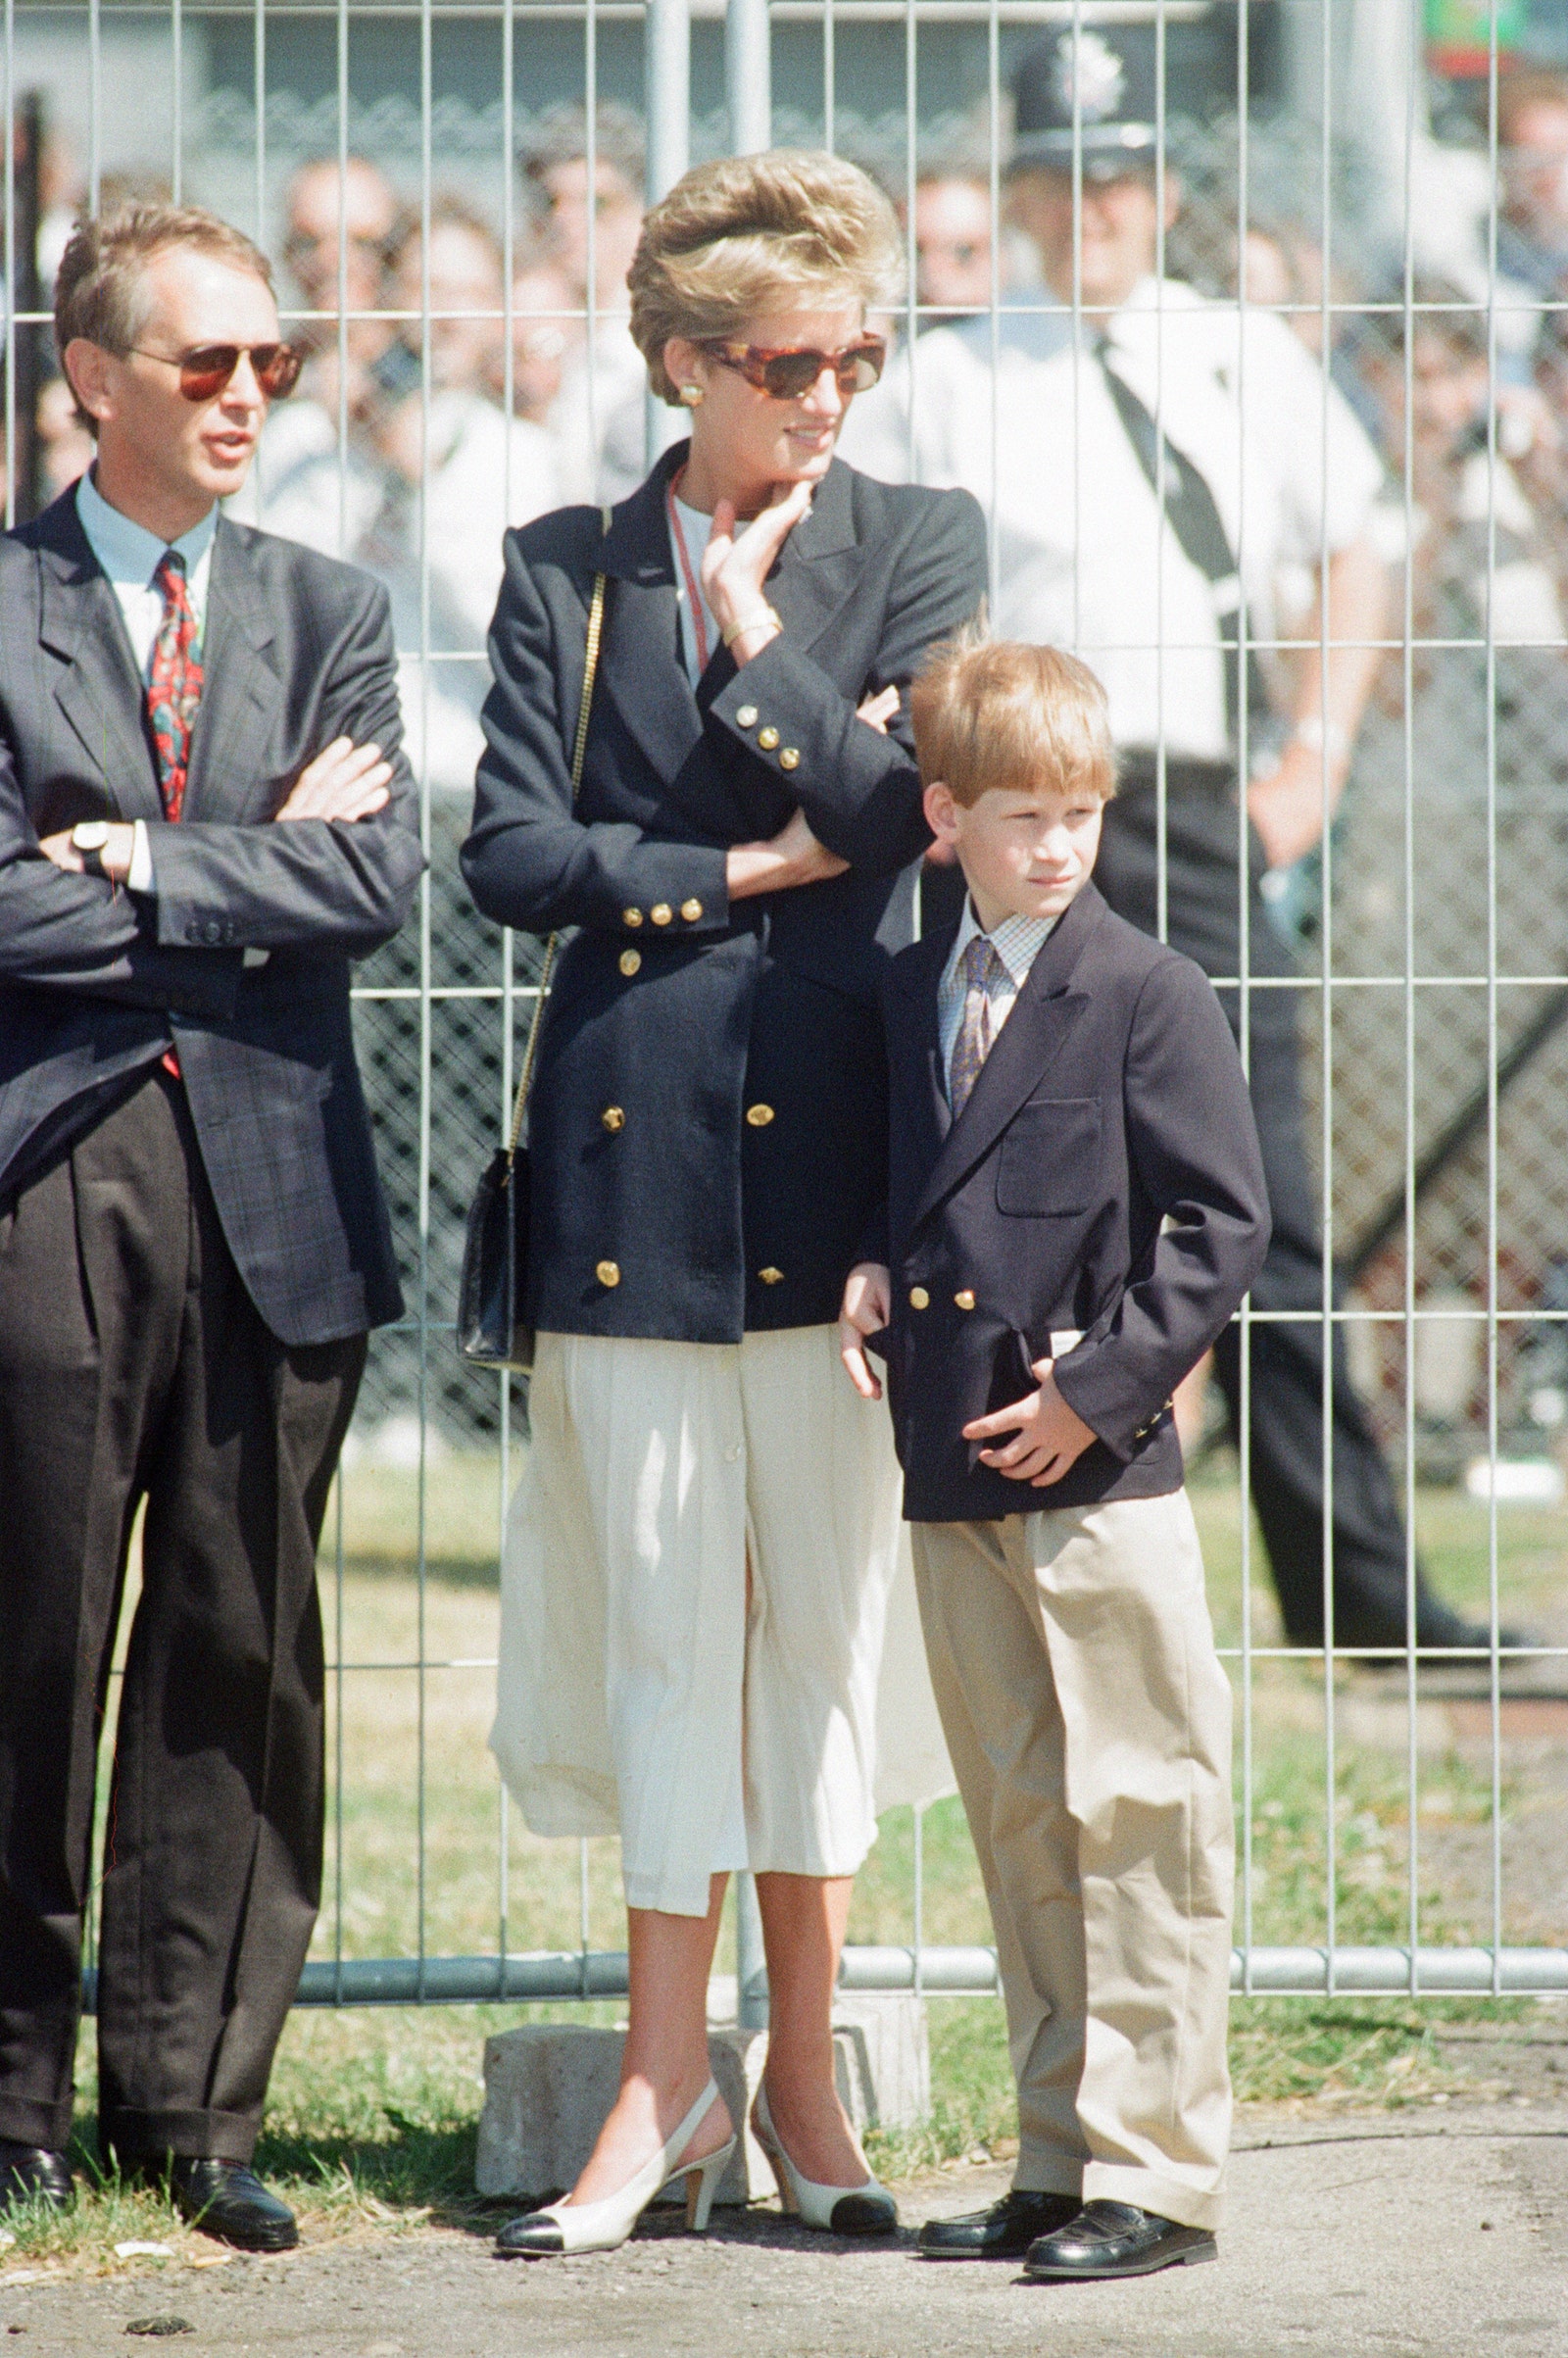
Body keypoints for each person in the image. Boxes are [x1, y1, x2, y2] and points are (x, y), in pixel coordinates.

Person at [463, 149, 986, 2258]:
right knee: (669, 1632)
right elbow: (507, 857)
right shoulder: (563, 561)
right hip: (625, 1165)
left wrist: (768, 653)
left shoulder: (910, 544)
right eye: (788, 364)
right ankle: (652, 2092)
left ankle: (800, 2082)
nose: (832, 396)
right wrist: (756, 863)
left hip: (846, 1162)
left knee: (821, 1638)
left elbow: (914, 817)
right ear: (682, 364)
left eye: (863, 354)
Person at [841, 21, 1502, 1657]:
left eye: (1124, 180)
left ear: (1161, 190)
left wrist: (1316, 754)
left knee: (1244, 1188)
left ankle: (1352, 1585)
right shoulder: (943, 375)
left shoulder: (1240, 353)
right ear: (1020, 192)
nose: (1096, 212)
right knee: (965, 1180)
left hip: (1195, 805)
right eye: (1064, 181)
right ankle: (956, 1509)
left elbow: (1357, 542)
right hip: (1005, 816)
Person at [0, 203, 423, 2243]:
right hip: (52, 1169)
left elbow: (375, 887)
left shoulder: (331, 610)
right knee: (28, 1633)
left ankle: (196, 2110)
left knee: (240, 1647)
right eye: (208, 364)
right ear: (95, 380)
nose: (254, 391)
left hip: (275, 1175)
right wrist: (250, 867)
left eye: (274, 357)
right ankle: (11, 2105)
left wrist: (149, 860)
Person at [840, 636, 1268, 2278]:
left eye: (1082, 810)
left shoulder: (1143, 988)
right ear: (943, 815)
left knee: (1142, 1808)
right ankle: (1054, 2152)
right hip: (954, 1466)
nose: (1059, 845)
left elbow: (1221, 1224)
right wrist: (875, 1257)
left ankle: (1156, 2172)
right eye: (1023, 814)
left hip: (1097, 1480)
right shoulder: (913, 984)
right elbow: (917, 1172)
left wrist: (1103, 1389)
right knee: (1021, 1819)